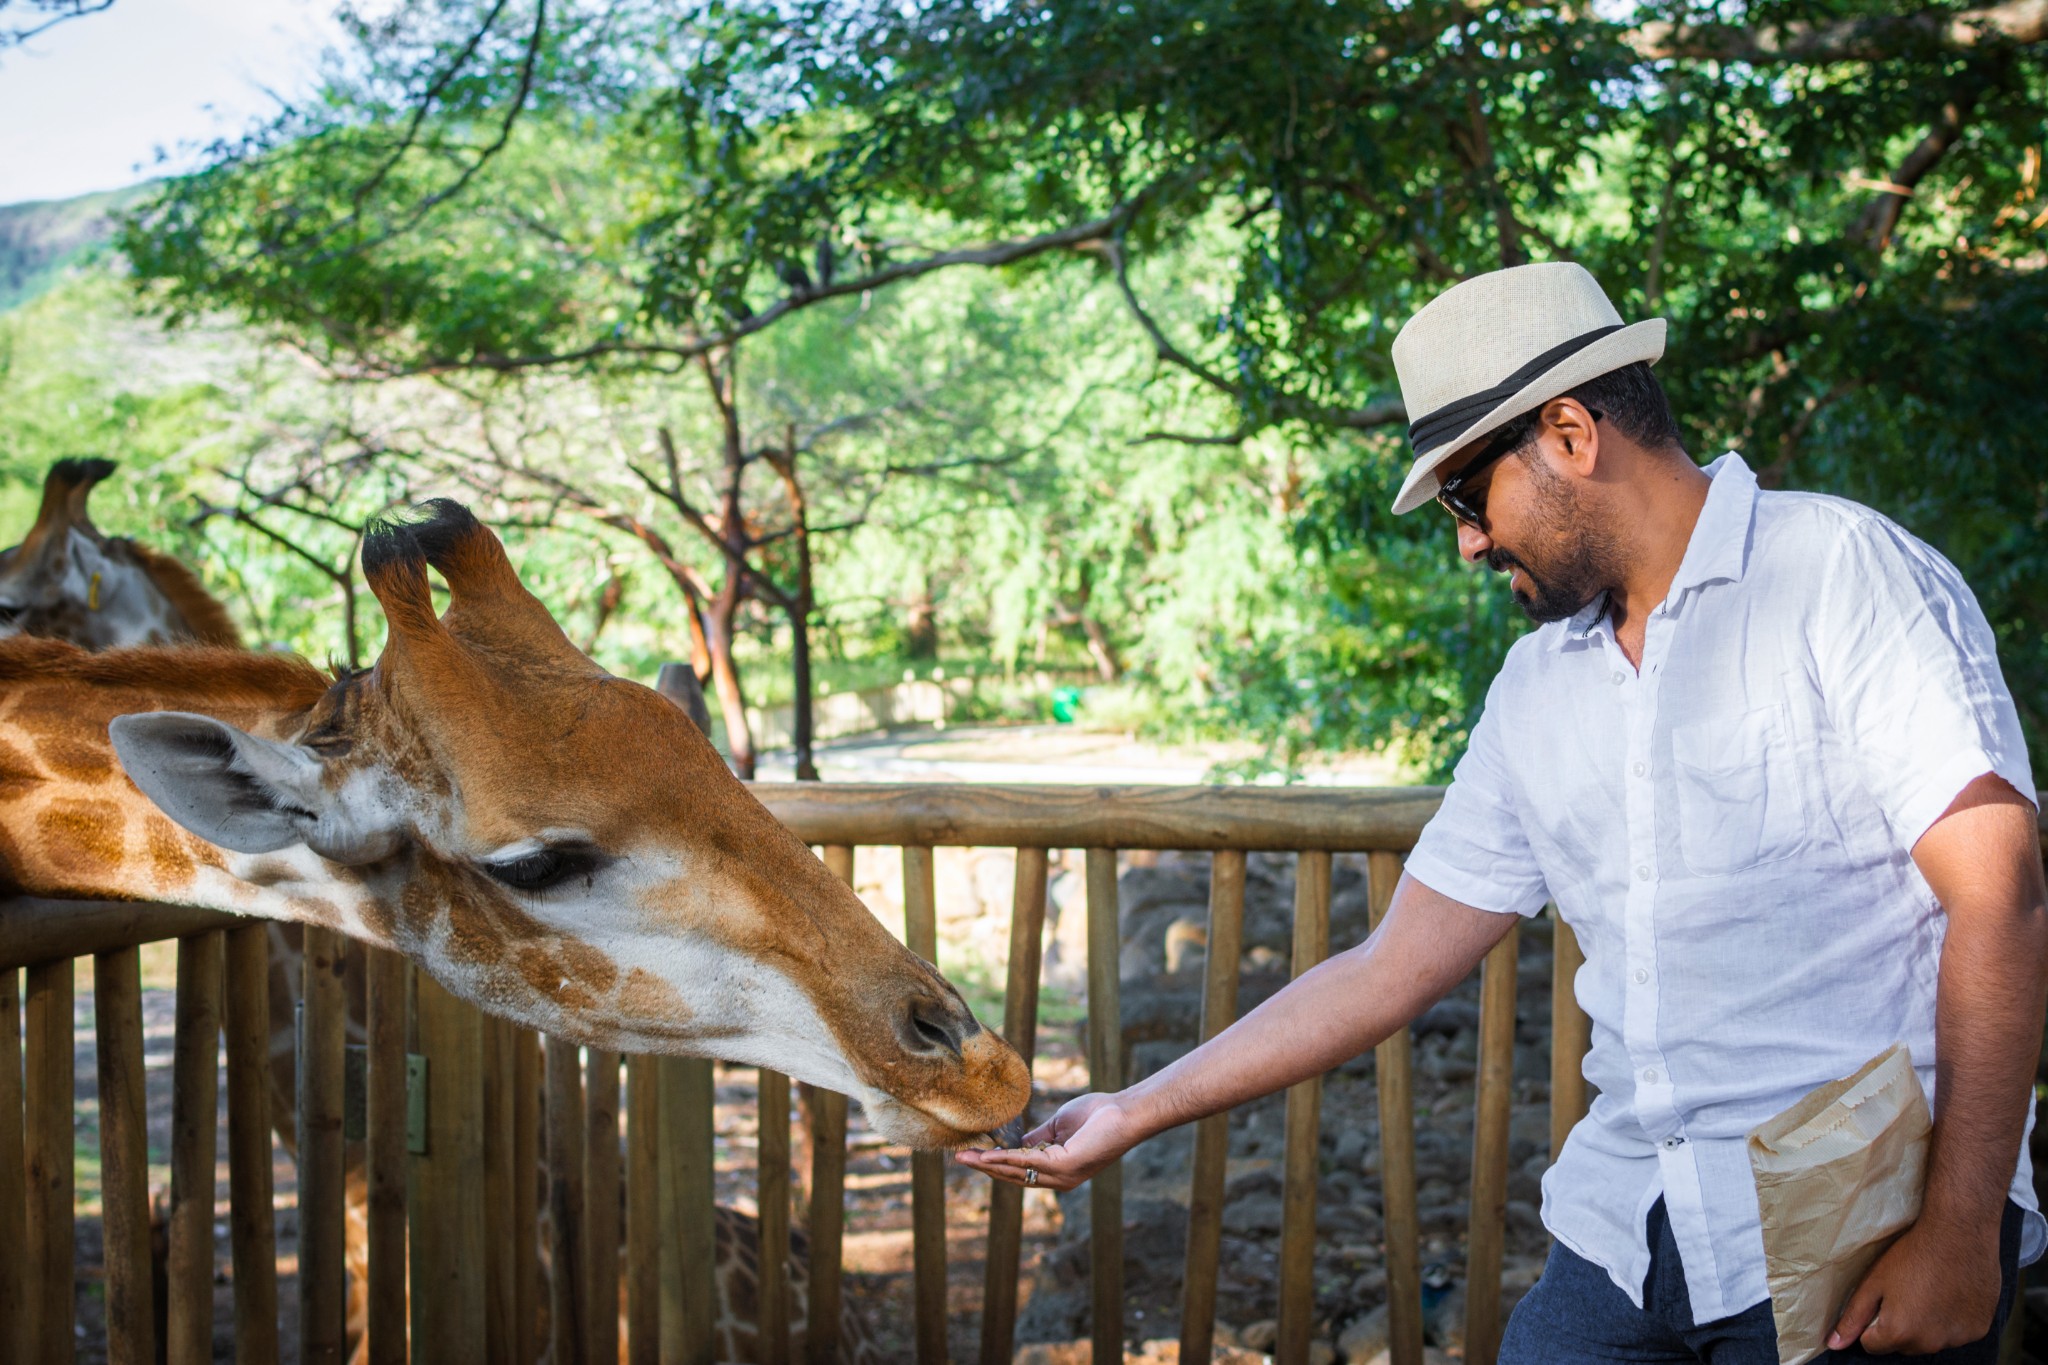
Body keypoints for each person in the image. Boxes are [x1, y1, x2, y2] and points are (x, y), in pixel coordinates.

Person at [956, 262, 2048, 1360]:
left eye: (1466, 498)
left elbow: (1997, 897)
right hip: (1626, 1226)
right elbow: (1387, 967)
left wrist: (1959, 1236)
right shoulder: (1537, 690)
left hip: (1852, 1226)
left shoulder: (1841, 573)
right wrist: (1134, 1107)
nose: (1466, 542)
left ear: (1569, 434)